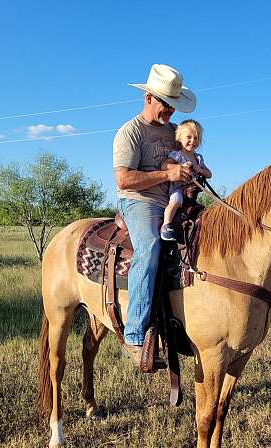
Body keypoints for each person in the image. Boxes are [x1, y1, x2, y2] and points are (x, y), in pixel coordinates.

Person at [112, 64, 196, 368]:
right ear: (148, 98)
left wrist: (189, 170)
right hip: (139, 201)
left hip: (172, 199)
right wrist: (167, 173)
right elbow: (123, 179)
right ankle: (134, 335)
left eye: (174, 106)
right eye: (166, 104)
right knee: (148, 248)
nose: (170, 111)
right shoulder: (130, 133)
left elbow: (185, 155)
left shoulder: (174, 132)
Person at [159, 119, 212, 241]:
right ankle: (166, 225)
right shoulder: (177, 155)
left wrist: (200, 169)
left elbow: (209, 174)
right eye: (189, 137)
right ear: (180, 138)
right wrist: (179, 167)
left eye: (196, 138)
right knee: (176, 200)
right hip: (178, 189)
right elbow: (164, 166)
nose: (192, 141)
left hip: (192, 193)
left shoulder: (198, 158)